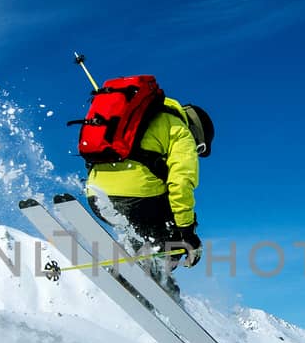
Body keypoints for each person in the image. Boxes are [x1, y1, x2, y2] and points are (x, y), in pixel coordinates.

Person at [86, 96, 214, 274]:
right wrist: (187, 232)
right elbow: (181, 183)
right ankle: (156, 276)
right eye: (199, 148)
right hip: (136, 199)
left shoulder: (134, 116)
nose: (196, 152)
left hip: (95, 194)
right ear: (195, 130)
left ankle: (132, 264)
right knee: (174, 234)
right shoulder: (180, 131)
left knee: (143, 234)